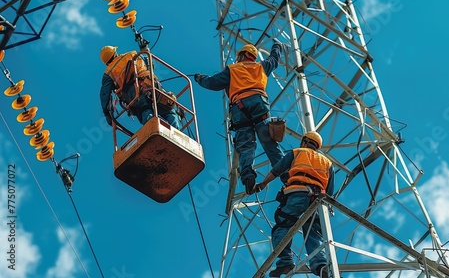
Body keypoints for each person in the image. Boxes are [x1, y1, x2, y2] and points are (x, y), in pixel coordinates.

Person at [194, 41, 286, 193]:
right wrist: (277, 46)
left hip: (240, 108)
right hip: (259, 106)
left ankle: (248, 175)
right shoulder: (261, 66)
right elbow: (274, 59)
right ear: (253, 57)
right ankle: (289, 177)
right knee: (269, 143)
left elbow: (212, 83)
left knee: (245, 145)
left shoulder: (232, 69)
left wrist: (199, 78)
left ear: (242, 55)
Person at [253, 131, 334, 278]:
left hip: (299, 194)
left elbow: (277, 169)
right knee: (313, 233)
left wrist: (263, 183)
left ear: (304, 141)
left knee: (281, 228)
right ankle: (321, 266)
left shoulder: (297, 152)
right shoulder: (327, 162)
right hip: (318, 202)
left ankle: (285, 262)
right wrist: (327, 210)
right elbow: (329, 192)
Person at [99, 45, 181, 129]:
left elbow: (105, 93)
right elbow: (150, 64)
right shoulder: (132, 54)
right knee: (166, 107)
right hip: (151, 83)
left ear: (106, 63)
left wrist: (107, 113)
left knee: (144, 110)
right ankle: (176, 131)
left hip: (133, 93)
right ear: (115, 53)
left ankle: (156, 129)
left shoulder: (108, 73)